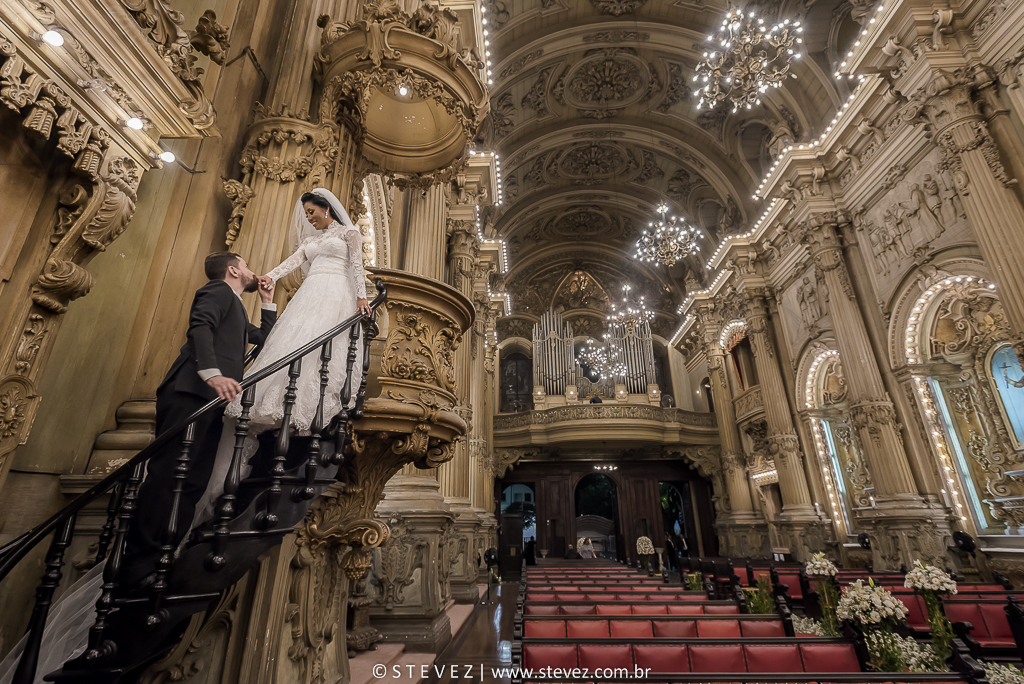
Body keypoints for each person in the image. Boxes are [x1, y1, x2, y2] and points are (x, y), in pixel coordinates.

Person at [121, 252, 277, 586]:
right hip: (191, 391)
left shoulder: (235, 305)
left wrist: (267, 302)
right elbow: (200, 327)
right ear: (233, 270)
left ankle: (166, 549)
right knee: (167, 475)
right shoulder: (217, 291)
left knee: (193, 479)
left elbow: (265, 340)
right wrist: (212, 374)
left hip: (212, 400)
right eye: (246, 266)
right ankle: (138, 564)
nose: (252, 272)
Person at [226, 188, 370, 432]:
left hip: (335, 291)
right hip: (310, 291)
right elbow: (291, 262)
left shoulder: (350, 233)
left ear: (326, 208)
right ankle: (274, 404)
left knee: (321, 340)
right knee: (295, 339)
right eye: (306, 214)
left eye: (311, 211)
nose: (309, 218)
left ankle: (309, 406)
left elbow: (357, 265)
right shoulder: (310, 242)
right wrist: (270, 276)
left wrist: (361, 298)